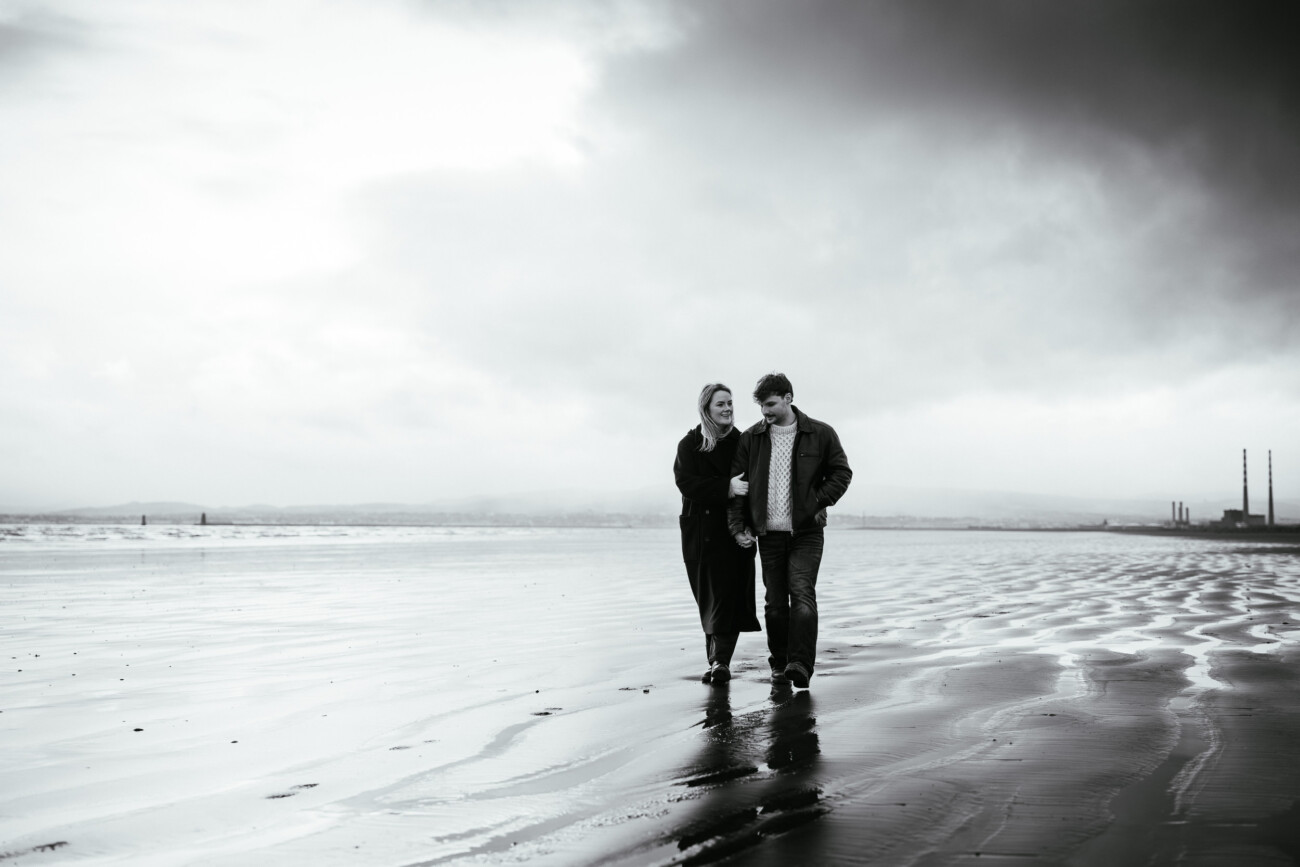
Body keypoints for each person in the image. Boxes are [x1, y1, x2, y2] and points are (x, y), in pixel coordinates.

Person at [727, 373, 852, 689]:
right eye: (761, 406)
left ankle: (800, 665)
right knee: (775, 604)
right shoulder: (752, 438)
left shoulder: (820, 434)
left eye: (770, 404)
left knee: (802, 595)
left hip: (807, 533)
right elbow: (739, 486)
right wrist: (738, 526)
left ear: (788, 398)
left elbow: (841, 473)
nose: (765, 412)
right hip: (769, 535)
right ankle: (780, 663)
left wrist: (815, 501)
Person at [674, 383, 761, 684]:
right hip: (701, 532)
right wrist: (726, 487)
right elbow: (685, 482)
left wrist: (749, 528)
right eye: (720, 404)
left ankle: (720, 662)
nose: (727, 409)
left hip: (735, 530)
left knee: (731, 598)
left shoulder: (743, 442)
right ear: (706, 409)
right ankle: (715, 661)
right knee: (709, 599)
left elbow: (754, 487)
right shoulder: (691, 443)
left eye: (730, 403)